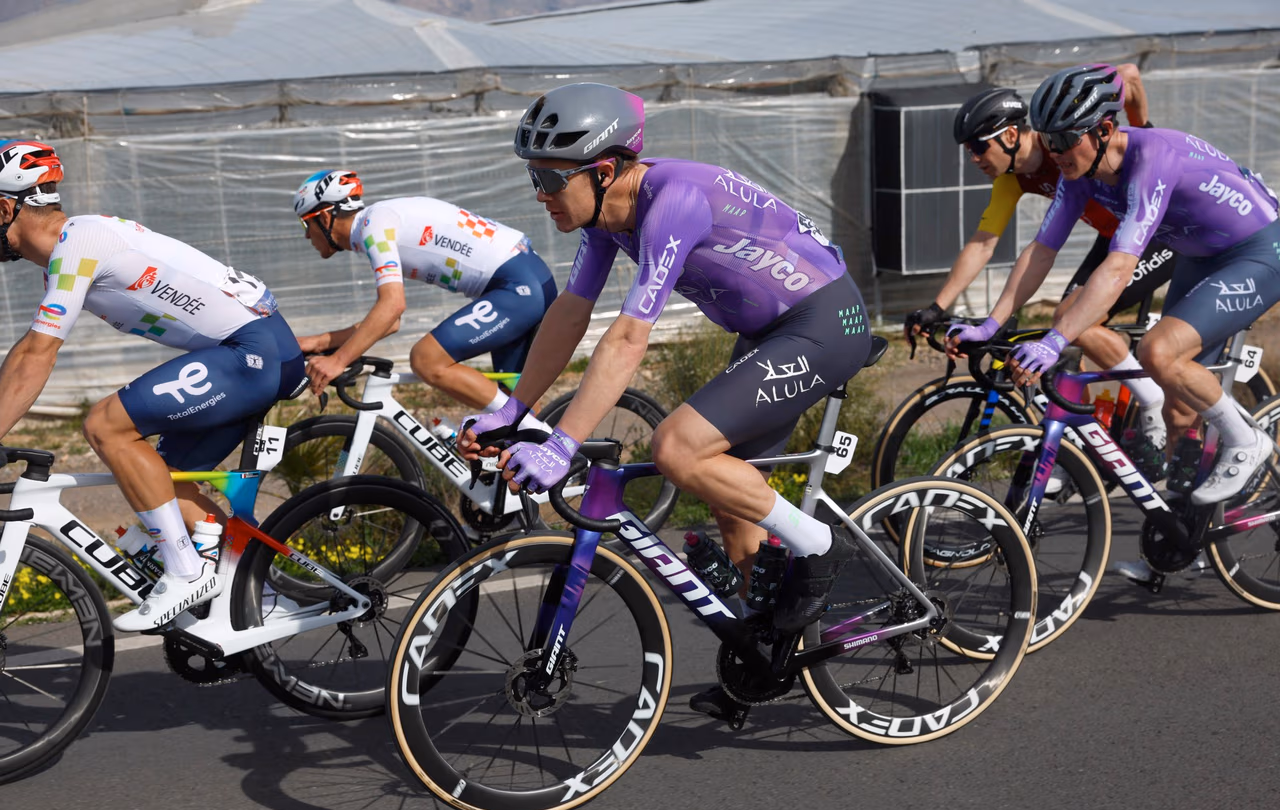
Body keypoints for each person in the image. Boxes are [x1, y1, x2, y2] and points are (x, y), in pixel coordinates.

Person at [454, 82, 872, 718]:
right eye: (533, 176)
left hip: (824, 322)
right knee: (733, 504)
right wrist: (515, 410)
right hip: (770, 332)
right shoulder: (604, 219)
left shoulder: (672, 201)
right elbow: (570, 315)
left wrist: (563, 444)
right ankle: (765, 661)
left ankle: (819, 546)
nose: (538, 194)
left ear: (602, 170)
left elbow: (627, 337)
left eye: (547, 177)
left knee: (677, 447)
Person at [0, 140, 305, 631]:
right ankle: (262, 606)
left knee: (106, 426)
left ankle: (185, 573)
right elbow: (28, 348)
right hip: (257, 348)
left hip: (251, 352)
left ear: (4, 206)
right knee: (162, 481)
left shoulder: (78, 244)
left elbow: (39, 355)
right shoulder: (74, 247)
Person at [947, 64, 1280, 509]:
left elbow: (1119, 268)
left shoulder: (1150, 160)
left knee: (1158, 353)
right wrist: (991, 324)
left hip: (1256, 251)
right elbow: (1041, 251)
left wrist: (1055, 340)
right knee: (1178, 409)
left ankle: (1247, 440)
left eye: (1065, 139)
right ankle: (1180, 543)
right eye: (1048, 139)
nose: (1056, 151)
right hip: (1199, 256)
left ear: (1103, 129)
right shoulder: (1078, 173)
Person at [907, 69, 1172, 472]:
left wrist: (1139, 136)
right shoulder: (1013, 179)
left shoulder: (1063, 139)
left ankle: (1152, 401)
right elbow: (983, 243)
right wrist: (936, 307)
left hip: (1156, 232)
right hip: (1113, 238)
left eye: (979, 147)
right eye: (968, 151)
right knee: (1066, 334)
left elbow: (1131, 77)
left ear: (1010, 136)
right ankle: (1088, 449)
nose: (974, 158)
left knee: (1071, 320)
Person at [292, 170, 557, 419]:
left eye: (306, 226)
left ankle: (516, 423)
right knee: (516, 398)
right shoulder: (375, 224)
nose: (306, 237)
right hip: (522, 280)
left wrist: (338, 361)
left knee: (426, 358)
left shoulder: (373, 226)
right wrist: (317, 343)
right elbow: (388, 321)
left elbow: (392, 306)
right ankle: (542, 445)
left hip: (516, 284)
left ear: (325, 217)